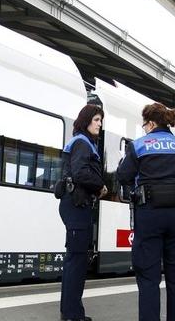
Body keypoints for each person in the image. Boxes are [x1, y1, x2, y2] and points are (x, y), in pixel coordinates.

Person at [117, 103, 175, 321]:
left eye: (145, 124)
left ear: (151, 123)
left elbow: (123, 176)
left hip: (150, 214)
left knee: (148, 279)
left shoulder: (140, 145)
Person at [58, 104, 107, 321]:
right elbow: (80, 173)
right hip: (76, 206)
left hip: (76, 204)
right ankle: (73, 315)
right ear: (86, 119)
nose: (100, 124)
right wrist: (100, 186)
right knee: (76, 261)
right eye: (96, 119)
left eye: (101, 120)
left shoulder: (82, 142)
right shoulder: (82, 143)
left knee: (74, 260)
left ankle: (69, 312)